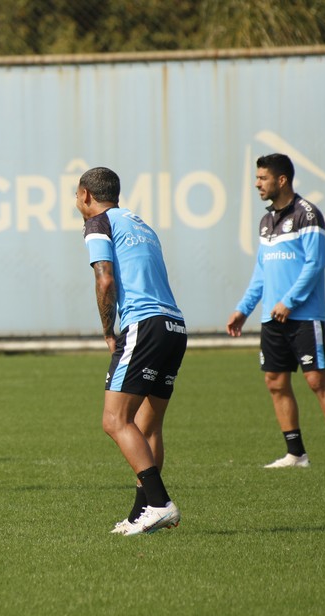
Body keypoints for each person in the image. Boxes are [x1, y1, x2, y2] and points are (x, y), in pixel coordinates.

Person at [226, 153, 325, 469]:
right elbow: (261, 271)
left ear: (281, 179)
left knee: (316, 380)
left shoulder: (307, 215)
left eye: (262, 178)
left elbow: (315, 264)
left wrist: (290, 301)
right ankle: (296, 454)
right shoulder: (266, 220)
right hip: (272, 318)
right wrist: (243, 309)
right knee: (275, 381)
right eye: (256, 178)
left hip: (303, 315)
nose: (256, 184)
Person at [76, 166, 186, 536]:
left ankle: (160, 503)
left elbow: (104, 279)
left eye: (77, 197)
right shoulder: (141, 224)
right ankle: (143, 513)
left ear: (86, 195)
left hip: (144, 325)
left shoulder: (98, 223)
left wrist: (109, 330)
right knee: (148, 425)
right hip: (174, 325)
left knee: (114, 420)